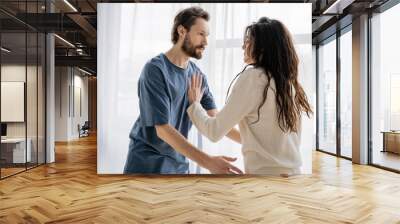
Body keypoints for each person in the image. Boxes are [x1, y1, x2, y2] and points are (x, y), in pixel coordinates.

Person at [187, 17, 313, 176]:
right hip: (293, 177)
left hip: (264, 182)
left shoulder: (253, 78)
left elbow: (214, 132)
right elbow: (266, 139)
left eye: (247, 41)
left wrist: (195, 105)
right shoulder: (288, 84)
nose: (242, 46)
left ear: (262, 47)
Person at [124, 7, 243, 174]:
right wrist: (209, 162)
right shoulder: (155, 69)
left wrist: (253, 143)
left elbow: (217, 121)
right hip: (147, 164)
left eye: (207, 36)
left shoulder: (198, 75)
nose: (206, 42)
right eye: (201, 34)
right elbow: (163, 130)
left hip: (179, 164)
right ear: (182, 31)